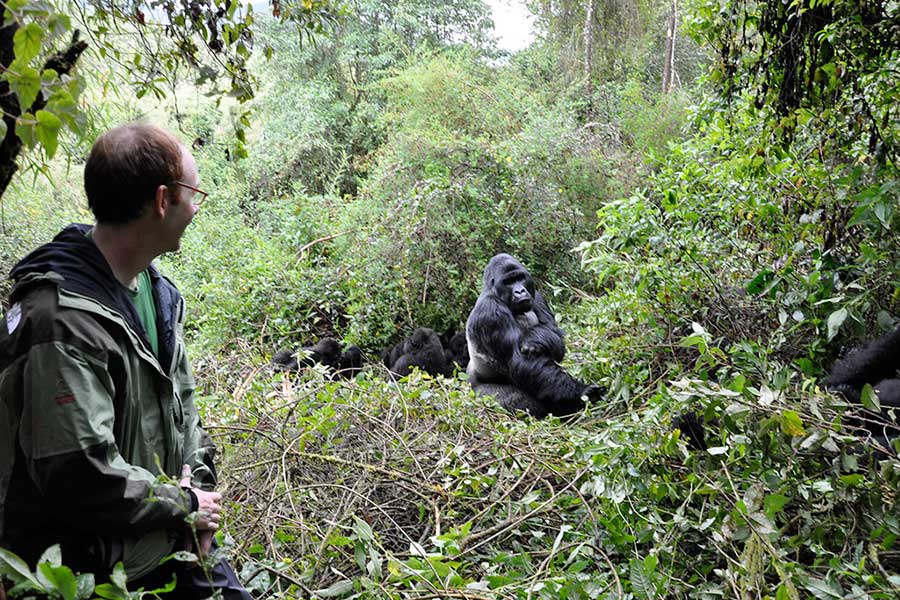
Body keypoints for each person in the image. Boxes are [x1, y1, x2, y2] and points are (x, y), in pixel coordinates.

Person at [0, 123, 250, 599]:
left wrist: (199, 505)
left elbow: (186, 415)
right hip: (90, 571)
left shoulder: (158, 294)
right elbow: (80, 472)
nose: (196, 208)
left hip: (166, 539)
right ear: (162, 201)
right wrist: (184, 504)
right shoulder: (59, 319)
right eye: (193, 193)